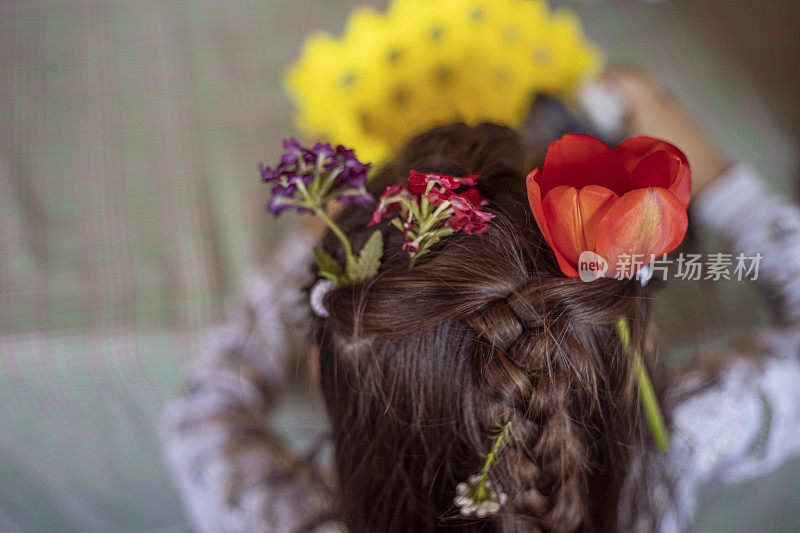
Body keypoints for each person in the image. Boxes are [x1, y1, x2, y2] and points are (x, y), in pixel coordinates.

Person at [162, 71, 800, 532]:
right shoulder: (668, 466)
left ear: (321, 371)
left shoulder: (276, 517)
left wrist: (314, 248)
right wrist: (713, 177)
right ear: (638, 343)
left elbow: (203, 414)